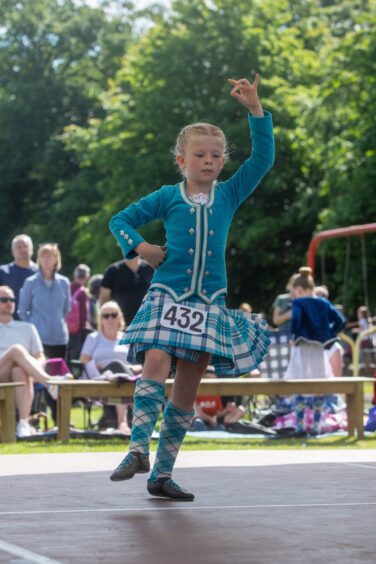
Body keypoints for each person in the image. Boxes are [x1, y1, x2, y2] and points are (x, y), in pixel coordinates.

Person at [108, 73, 274, 500]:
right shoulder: (167, 195)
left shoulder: (230, 194)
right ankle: (137, 448)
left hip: (209, 301)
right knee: (156, 361)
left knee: (188, 385)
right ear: (182, 160)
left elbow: (262, 161)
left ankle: (162, 474)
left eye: (216, 155)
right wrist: (142, 247)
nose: (209, 161)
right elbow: (119, 220)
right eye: (199, 154)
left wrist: (256, 110)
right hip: (167, 296)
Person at [284, 267, 345, 436]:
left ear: (299, 289)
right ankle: (317, 426)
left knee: (299, 383)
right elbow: (340, 320)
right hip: (319, 348)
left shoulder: (299, 303)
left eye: (295, 292)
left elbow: (296, 319)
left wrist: (293, 335)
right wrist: (330, 334)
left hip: (302, 346)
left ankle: (300, 426)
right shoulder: (324, 303)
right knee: (319, 385)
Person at [79, 301, 142, 434]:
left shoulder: (126, 338)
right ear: (100, 319)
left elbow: (138, 363)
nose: (110, 319)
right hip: (99, 377)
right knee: (116, 365)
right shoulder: (93, 337)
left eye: (114, 315)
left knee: (120, 370)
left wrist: (133, 368)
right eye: (106, 315)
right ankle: (124, 420)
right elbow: (84, 360)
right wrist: (100, 365)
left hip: (126, 375)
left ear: (119, 317)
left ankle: (123, 421)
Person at [0, 285, 54, 437]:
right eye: (4, 299)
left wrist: (32, 370)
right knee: (16, 349)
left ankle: (23, 423)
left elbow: (40, 357)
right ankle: (50, 383)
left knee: (19, 370)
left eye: (11, 299)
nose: (9, 302)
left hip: (20, 376)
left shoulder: (27, 328)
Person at [18, 243, 71, 360]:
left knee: (60, 375)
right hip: (38, 339)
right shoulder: (30, 282)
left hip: (60, 338)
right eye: (43, 256)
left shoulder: (64, 282)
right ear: (38, 259)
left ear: (56, 259)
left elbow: (66, 309)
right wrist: (34, 325)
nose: (46, 260)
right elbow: (22, 310)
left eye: (50, 256)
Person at [100, 257, 153, 324]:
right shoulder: (113, 270)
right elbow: (104, 301)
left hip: (146, 323)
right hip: (120, 325)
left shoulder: (151, 269)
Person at [192, 367, 246, 431]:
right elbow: (198, 412)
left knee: (241, 409)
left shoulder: (218, 392)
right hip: (201, 418)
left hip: (216, 419)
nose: (210, 382)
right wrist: (210, 419)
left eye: (213, 380)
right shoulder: (197, 391)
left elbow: (219, 412)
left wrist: (227, 410)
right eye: (208, 379)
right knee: (195, 414)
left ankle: (228, 425)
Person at [0, 234, 38, 319]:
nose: (22, 249)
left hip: (37, 324)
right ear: (13, 252)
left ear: (32, 250)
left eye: (25, 246)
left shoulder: (41, 273)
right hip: (9, 324)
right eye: (18, 247)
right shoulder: (3, 272)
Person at [67, 264, 92, 361]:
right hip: (77, 331)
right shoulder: (82, 291)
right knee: (75, 356)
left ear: (74, 275)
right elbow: (84, 315)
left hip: (65, 328)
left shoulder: (67, 287)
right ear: (87, 277)